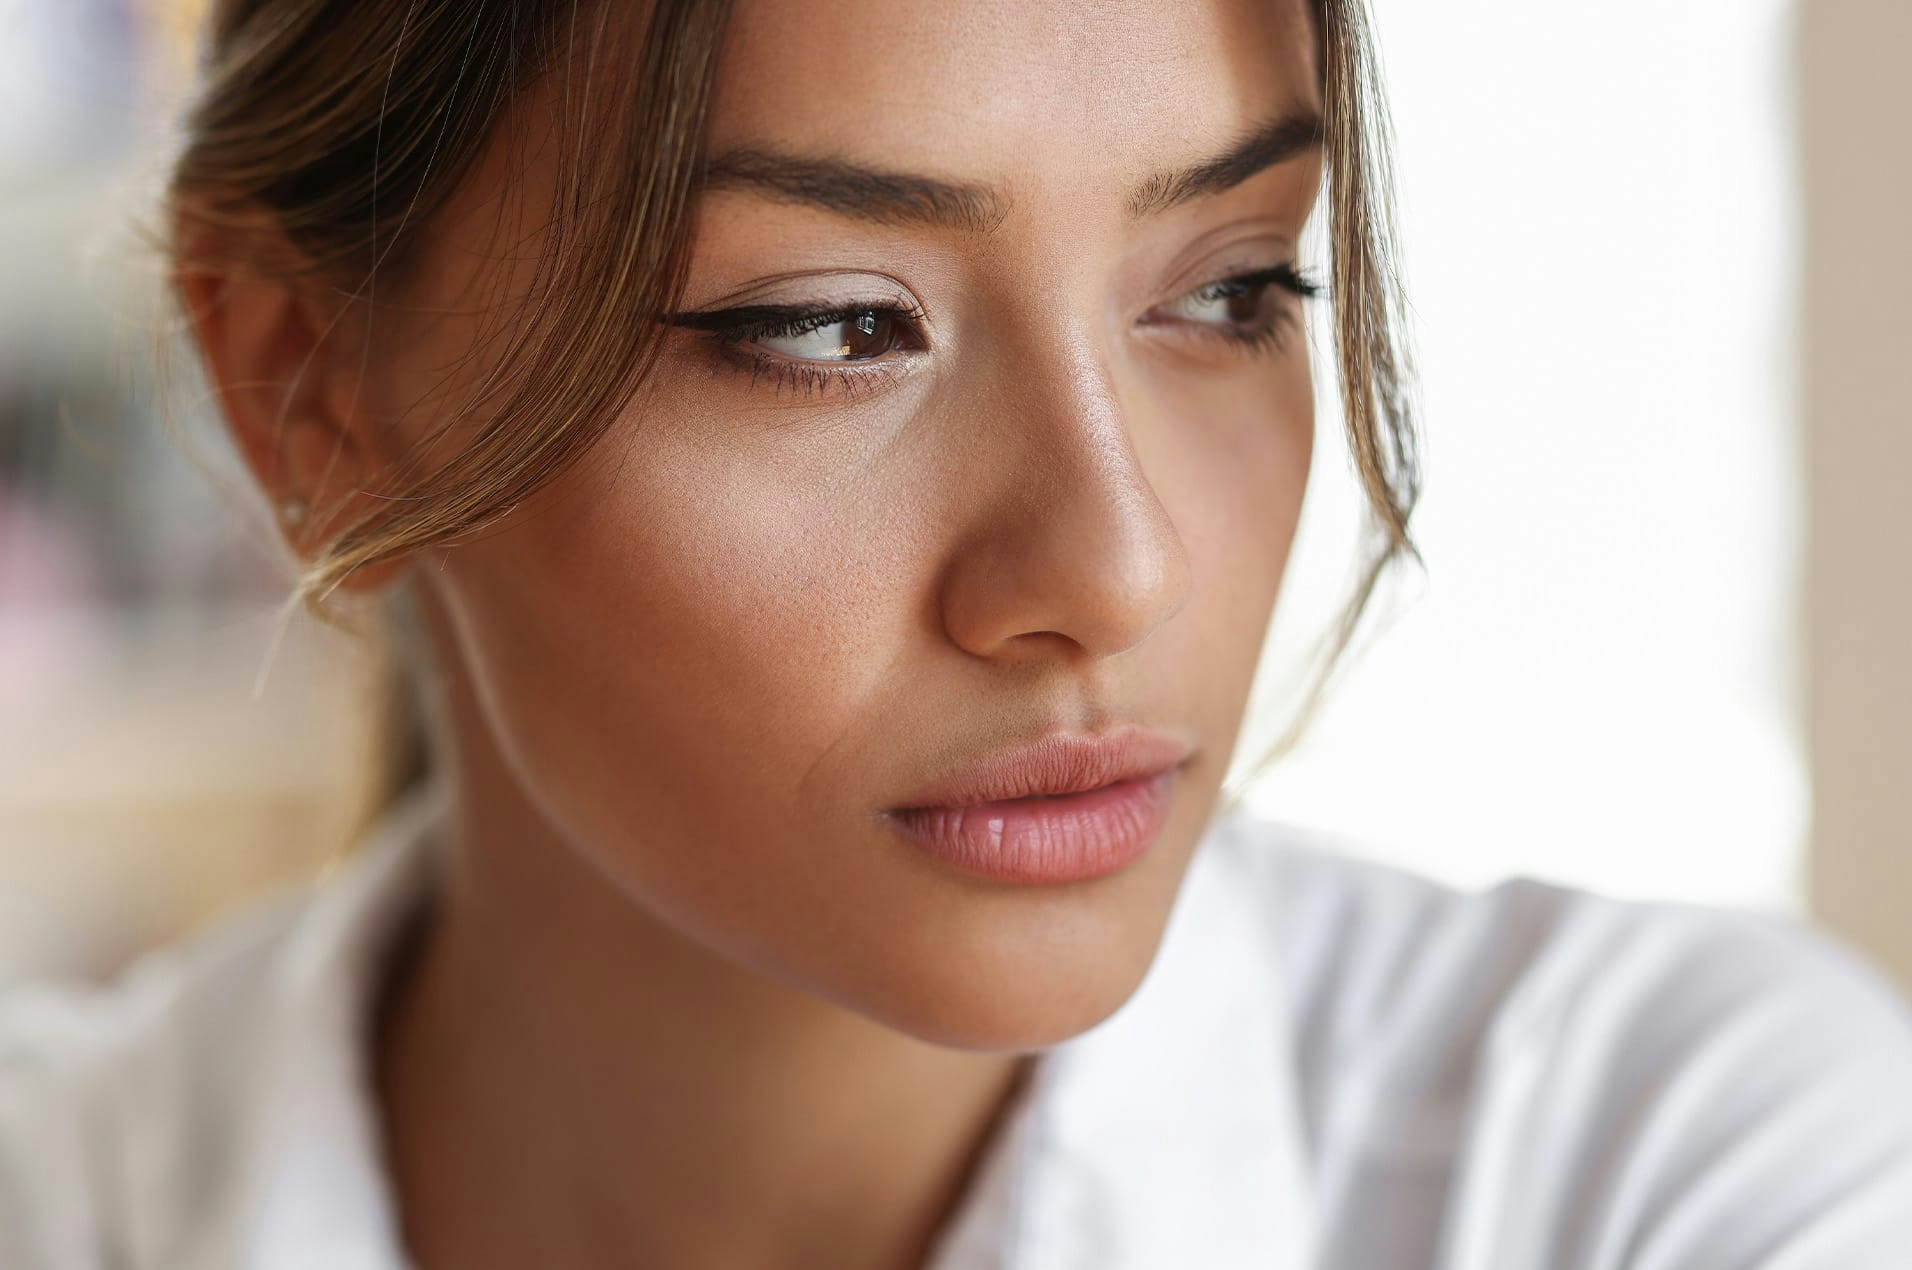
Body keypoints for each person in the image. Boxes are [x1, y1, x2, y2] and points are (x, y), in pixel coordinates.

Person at [4, 0, 1911, 1266]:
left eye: (1237, 287)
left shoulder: (1674, 1173)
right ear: (308, 388)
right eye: (834, 325)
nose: (1116, 565)